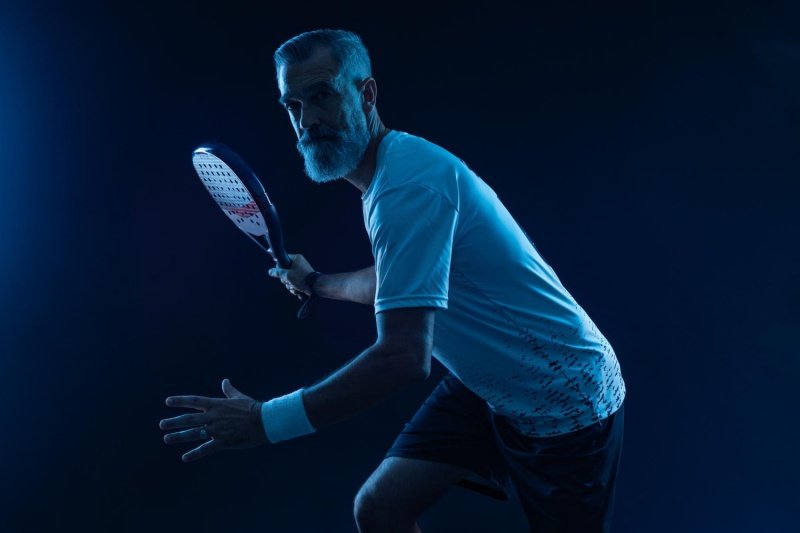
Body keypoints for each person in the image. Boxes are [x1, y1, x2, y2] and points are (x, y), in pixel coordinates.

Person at [160, 29, 626, 533]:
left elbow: (405, 357)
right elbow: (397, 280)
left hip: (563, 397)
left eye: (322, 95)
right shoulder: (388, 173)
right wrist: (316, 282)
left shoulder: (407, 186)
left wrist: (265, 421)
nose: (308, 120)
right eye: (293, 106)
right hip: (489, 382)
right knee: (380, 511)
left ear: (366, 94)